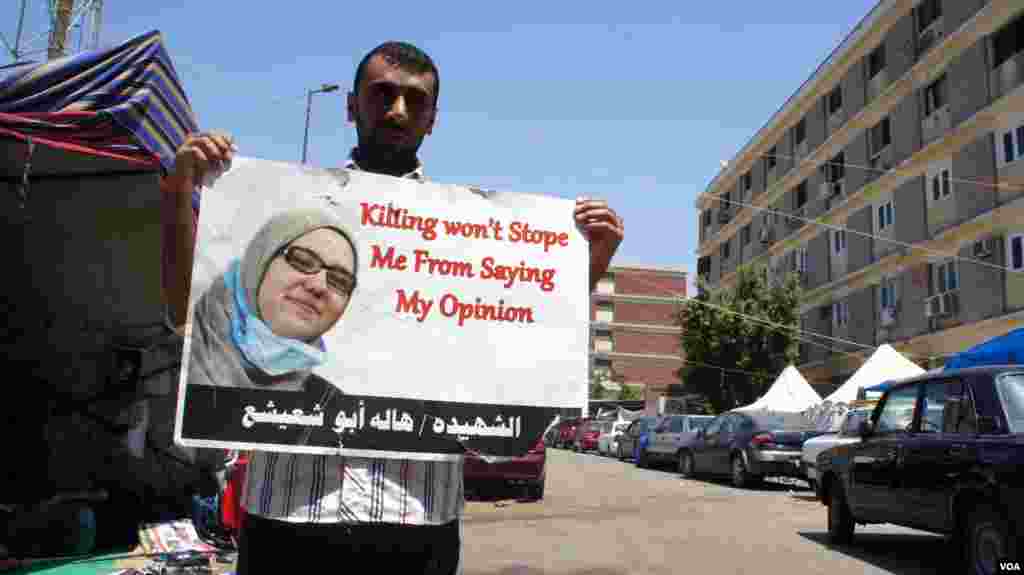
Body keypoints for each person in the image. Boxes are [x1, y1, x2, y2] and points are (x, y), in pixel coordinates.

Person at [161, 41, 624, 573]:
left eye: (415, 100)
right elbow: (183, 313)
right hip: (286, 516)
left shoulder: (472, 241)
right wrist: (180, 189)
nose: (397, 110)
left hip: (416, 523)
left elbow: (523, 345)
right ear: (352, 105)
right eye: (382, 94)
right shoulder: (280, 208)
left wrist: (589, 263)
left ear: (432, 118)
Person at [187, 208, 358, 391]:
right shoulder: (172, 352)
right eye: (302, 260)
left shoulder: (330, 402)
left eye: (340, 281)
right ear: (259, 261)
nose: (319, 286)